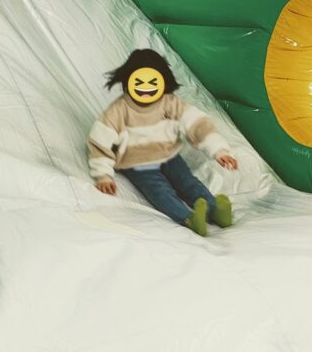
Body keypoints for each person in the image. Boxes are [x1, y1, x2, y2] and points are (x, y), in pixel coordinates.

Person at [88, 49, 239, 236]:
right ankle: (188, 218)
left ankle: (214, 210)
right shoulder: (119, 110)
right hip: (137, 162)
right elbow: (100, 142)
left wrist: (219, 150)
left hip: (169, 155)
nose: (146, 88)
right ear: (128, 81)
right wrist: (103, 175)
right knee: (159, 189)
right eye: (139, 82)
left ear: (163, 81)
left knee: (187, 182)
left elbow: (197, 124)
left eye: (152, 82)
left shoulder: (171, 104)